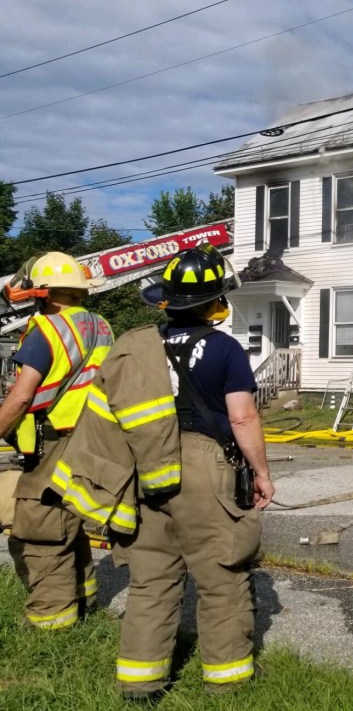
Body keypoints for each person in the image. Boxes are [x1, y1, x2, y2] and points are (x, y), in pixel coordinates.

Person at [90, 242, 273, 702]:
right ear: (215, 301)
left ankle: (140, 683)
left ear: (168, 299)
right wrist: (261, 473)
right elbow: (243, 418)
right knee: (222, 576)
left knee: (151, 579)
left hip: (147, 465)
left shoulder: (139, 348)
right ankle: (227, 682)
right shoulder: (225, 349)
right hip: (204, 466)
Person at [0, 252, 113, 630]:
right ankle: (84, 597)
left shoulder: (46, 330)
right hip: (93, 440)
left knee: (40, 527)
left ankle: (51, 618)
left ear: (44, 293)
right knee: (69, 519)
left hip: (55, 441)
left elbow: (21, 397)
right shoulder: (101, 326)